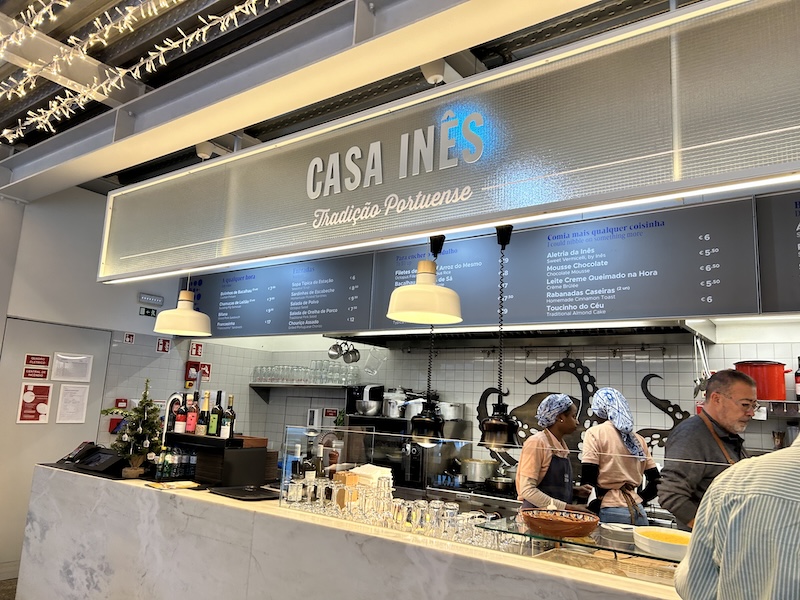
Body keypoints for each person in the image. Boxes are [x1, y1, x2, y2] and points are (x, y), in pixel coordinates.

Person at [674, 436, 800, 599]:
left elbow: (694, 586)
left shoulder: (733, 479)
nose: (749, 419)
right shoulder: (690, 436)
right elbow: (671, 493)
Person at [658, 369, 756, 530]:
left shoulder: (727, 434)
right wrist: (710, 531)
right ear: (717, 399)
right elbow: (671, 495)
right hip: (709, 542)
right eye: (745, 404)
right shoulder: (691, 436)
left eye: (754, 405)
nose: (751, 412)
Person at [581, 387, 659, 525]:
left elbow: (588, 479)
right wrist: (641, 498)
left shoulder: (594, 433)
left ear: (601, 410)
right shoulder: (638, 440)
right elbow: (657, 481)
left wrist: (587, 506)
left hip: (608, 510)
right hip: (638, 510)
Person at [515, 393, 591, 512]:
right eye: (573, 416)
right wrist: (569, 508)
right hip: (536, 516)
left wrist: (574, 490)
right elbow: (527, 491)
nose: (577, 422)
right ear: (560, 417)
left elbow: (550, 488)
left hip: (554, 516)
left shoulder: (560, 447)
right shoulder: (537, 443)